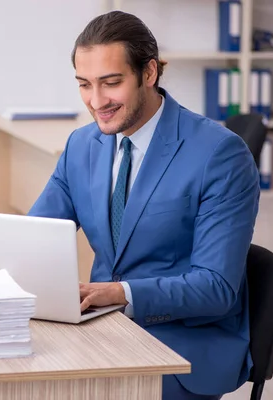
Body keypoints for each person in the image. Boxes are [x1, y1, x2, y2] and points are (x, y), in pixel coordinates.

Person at [27, 10, 260, 400]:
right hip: (100, 327)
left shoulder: (220, 154)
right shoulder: (82, 146)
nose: (96, 101)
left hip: (183, 343)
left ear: (148, 73)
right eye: (84, 85)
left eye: (111, 83)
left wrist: (121, 294)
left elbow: (217, 288)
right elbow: (34, 236)